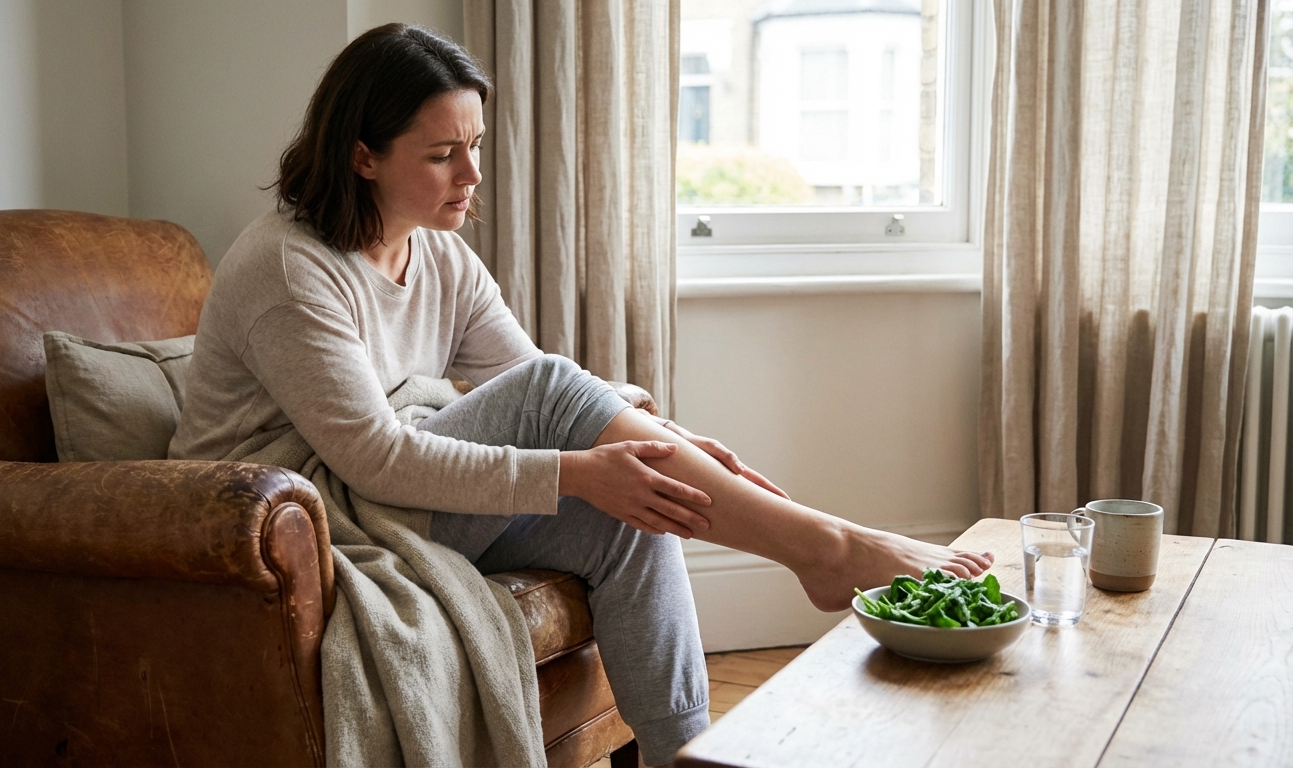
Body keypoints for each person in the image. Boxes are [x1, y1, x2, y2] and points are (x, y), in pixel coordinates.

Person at [169, 23, 993, 768]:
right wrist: (577, 466)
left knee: (634, 503)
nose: (473, 174)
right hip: (299, 516)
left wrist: (663, 439)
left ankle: (685, 754)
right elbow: (382, 454)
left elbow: (535, 384)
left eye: (477, 145)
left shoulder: (437, 255)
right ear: (362, 156)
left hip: (383, 494)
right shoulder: (289, 267)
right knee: (580, 428)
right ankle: (827, 550)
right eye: (441, 154)